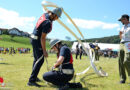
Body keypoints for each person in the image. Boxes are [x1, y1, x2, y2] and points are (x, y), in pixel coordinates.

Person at [27, 7, 63, 87]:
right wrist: (44, 51)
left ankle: (34, 77)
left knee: (37, 59)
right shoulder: (47, 23)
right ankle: (31, 81)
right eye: (57, 17)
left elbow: (47, 11)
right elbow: (43, 38)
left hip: (34, 39)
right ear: (53, 15)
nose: (57, 19)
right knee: (40, 60)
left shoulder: (46, 14)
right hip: (37, 41)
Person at [118, 14, 130, 84]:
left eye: (121, 20)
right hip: (122, 43)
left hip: (129, 43)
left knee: (127, 60)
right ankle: (122, 79)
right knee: (120, 61)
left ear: (125, 19)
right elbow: (120, 33)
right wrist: (121, 37)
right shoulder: (123, 27)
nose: (121, 21)